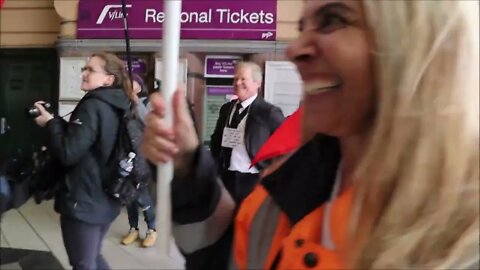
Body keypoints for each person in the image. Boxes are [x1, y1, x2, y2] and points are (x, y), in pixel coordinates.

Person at [142, 1, 479, 269]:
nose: (295, 49)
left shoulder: (463, 231)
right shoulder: (280, 195)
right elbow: (222, 256)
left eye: (332, 19)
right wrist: (188, 165)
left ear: (417, 37)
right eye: (302, 27)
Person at [32, 52, 133, 270]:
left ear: (108, 79)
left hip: (84, 200)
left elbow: (69, 153)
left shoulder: (93, 105)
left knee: (83, 263)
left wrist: (51, 124)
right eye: (84, 69)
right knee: (92, 258)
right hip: (107, 196)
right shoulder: (120, 104)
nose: (84, 73)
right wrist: (54, 122)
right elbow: (87, 141)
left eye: (91, 70)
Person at [210, 61, 284, 204]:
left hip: (254, 180)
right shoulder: (226, 109)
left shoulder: (268, 112)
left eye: (243, 79)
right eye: (235, 79)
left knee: (250, 222)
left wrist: (271, 172)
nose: (237, 83)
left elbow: (286, 146)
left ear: (257, 83)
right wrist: (217, 168)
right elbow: (216, 140)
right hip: (227, 178)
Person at [120, 73, 157, 248]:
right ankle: (133, 228)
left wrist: (136, 100)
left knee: (141, 194)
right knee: (128, 194)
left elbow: (149, 122)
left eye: (131, 83)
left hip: (143, 155)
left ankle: (151, 228)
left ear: (139, 86)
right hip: (125, 154)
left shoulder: (147, 102)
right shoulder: (123, 103)